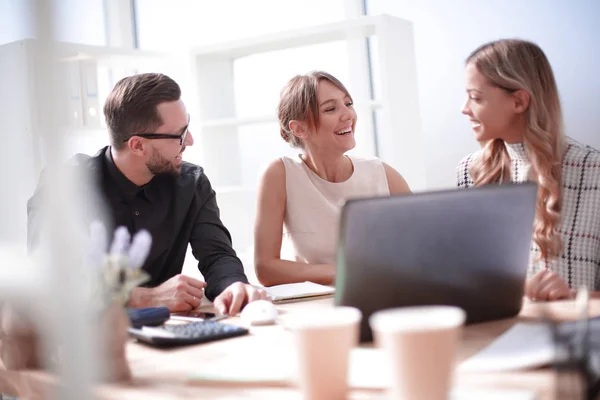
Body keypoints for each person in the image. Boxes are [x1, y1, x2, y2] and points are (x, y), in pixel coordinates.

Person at [27, 73, 267, 315]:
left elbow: (217, 256)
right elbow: (48, 279)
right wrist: (144, 297)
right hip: (87, 343)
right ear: (138, 145)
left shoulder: (192, 183)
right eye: (180, 135)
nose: (191, 141)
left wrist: (233, 285)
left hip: (173, 334)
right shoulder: (63, 187)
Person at [457, 39, 600, 301]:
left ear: (520, 101)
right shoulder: (470, 171)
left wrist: (572, 296)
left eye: (475, 97)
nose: (464, 109)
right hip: (498, 338)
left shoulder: (594, 171)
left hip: (576, 338)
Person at [254, 71, 411, 287]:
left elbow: (423, 249)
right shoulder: (279, 174)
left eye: (349, 103)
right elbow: (266, 269)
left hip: (383, 294)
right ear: (299, 128)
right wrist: (346, 272)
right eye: (330, 109)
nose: (348, 115)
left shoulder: (382, 174)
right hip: (315, 305)